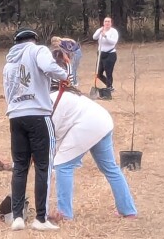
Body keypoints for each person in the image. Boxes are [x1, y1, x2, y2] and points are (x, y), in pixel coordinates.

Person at [2, 29, 68, 231]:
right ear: (33, 40)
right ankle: (40, 218)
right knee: (43, 166)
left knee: (20, 166)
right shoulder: (37, 50)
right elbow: (49, 67)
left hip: (15, 116)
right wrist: (64, 73)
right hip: (38, 114)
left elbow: (7, 91)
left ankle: (17, 217)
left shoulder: (9, 63)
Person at [49, 87, 137, 220]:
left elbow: (54, 136)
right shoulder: (56, 97)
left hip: (89, 124)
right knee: (110, 168)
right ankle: (128, 210)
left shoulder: (49, 104)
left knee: (63, 165)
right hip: (103, 121)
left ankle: (64, 213)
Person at [91, 17, 119, 100]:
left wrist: (105, 36)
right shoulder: (100, 29)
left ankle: (109, 87)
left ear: (111, 23)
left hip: (110, 54)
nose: (107, 23)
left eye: (108, 22)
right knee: (98, 73)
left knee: (108, 72)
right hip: (100, 54)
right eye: (105, 21)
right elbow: (94, 37)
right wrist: (100, 31)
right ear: (103, 23)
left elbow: (113, 42)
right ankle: (109, 85)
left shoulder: (114, 31)